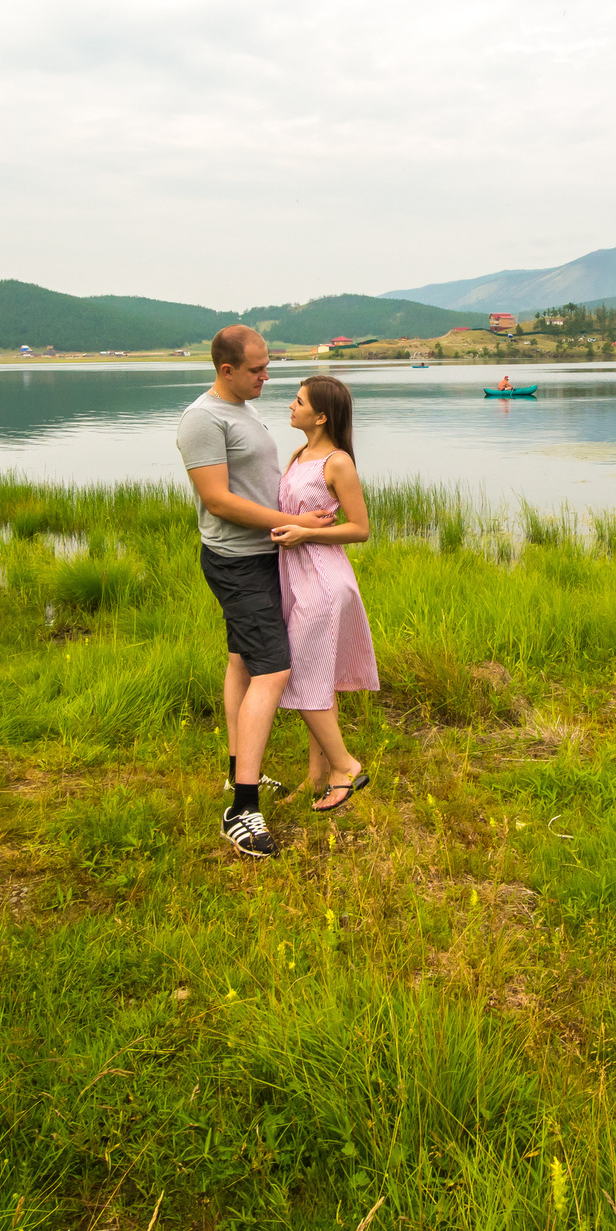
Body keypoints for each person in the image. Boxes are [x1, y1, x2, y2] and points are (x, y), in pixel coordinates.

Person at [178, 326, 333, 859]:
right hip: (237, 562)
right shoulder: (203, 420)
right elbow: (218, 500)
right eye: (257, 369)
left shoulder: (243, 408)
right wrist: (291, 520)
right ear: (226, 370)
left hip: (266, 556)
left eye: (268, 367)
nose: (268, 376)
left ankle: (237, 771)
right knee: (273, 669)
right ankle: (242, 810)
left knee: (242, 661)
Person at [269, 377, 380, 810]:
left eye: (298, 402)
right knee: (317, 678)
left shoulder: (337, 463)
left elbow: (360, 528)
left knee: (299, 674)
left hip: (322, 579)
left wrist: (304, 535)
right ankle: (317, 776)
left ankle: (345, 768)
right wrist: (297, 526)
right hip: (294, 575)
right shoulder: (299, 455)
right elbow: (299, 516)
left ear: (320, 416)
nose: (289, 406)